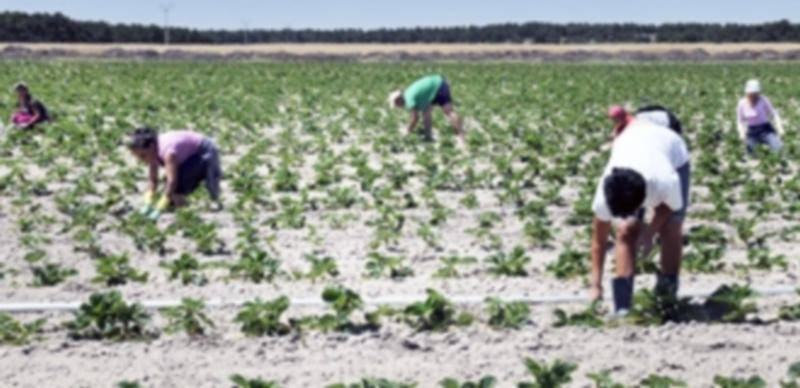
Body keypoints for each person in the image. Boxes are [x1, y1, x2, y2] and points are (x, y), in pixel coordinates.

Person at [589, 108, 691, 316]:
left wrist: (649, 234)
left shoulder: (664, 180)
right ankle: (623, 306)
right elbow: (599, 242)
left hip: (671, 151)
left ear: (642, 201)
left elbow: (670, 207)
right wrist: (595, 285)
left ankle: (667, 297)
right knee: (625, 230)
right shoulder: (604, 196)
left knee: (671, 227)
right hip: (633, 145)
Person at [127, 127, 222, 220]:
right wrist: (147, 202)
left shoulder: (168, 152)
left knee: (178, 183)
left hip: (204, 151)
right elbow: (153, 180)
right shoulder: (152, 152)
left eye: (143, 156)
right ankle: (181, 209)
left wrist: (160, 207)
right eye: (139, 157)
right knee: (170, 191)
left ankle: (183, 213)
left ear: (151, 147)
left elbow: (172, 182)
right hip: (187, 153)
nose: (142, 160)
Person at [388, 74, 464, 141]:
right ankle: (428, 136)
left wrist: (407, 131)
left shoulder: (409, 99)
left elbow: (415, 118)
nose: (398, 107)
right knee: (426, 113)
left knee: (448, 111)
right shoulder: (407, 94)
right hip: (433, 89)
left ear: (398, 100)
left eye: (396, 105)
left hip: (439, 85)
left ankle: (461, 134)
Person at [736, 79, 784, 154]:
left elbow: (774, 114)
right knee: (750, 153)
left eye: (755, 94)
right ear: (747, 92)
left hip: (765, 129)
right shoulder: (741, 103)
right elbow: (739, 121)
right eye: (751, 94)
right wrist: (741, 133)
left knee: (778, 150)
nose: (753, 96)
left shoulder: (764, 100)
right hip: (752, 131)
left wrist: (780, 128)